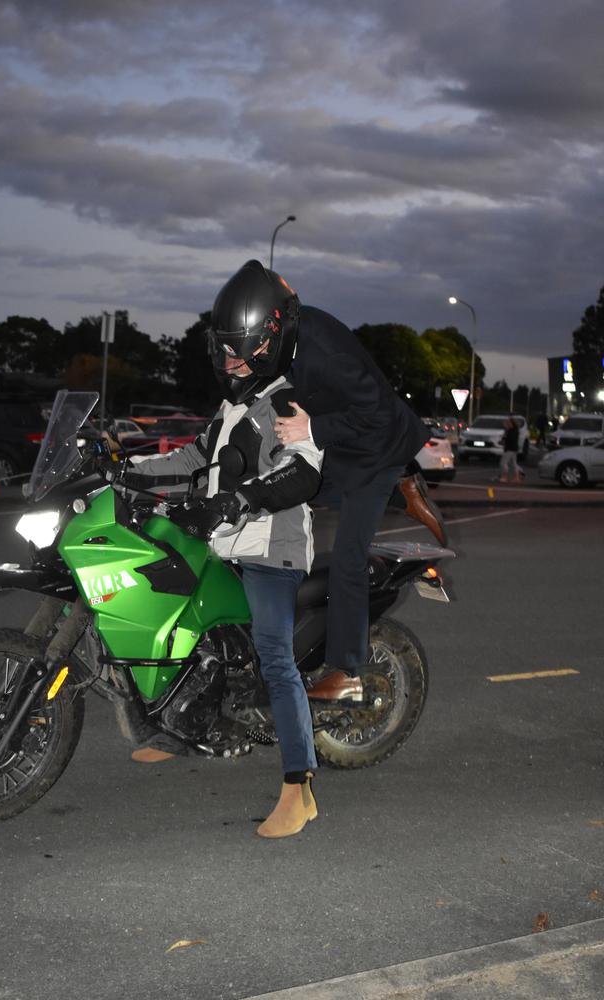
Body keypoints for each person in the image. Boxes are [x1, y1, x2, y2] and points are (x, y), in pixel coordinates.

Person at [126, 273, 323, 839]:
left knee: (273, 654)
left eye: (245, 349)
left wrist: (244, 498)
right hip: (222, 543)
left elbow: (304, 470)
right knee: (171, 613)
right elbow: (193, 457)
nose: (232, 360)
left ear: (272, 341)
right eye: (226, 349)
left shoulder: (285, 401)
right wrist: (124, 469)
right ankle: (180, 727)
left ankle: (298, 788)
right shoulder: (234, 403)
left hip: (270, 552)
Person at [211, 260, 446, 706]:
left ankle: (347, 671)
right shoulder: (279, 342)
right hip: (341, 436)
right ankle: (404, 488)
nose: (238, 361)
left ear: (275, 327)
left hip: (376, 448)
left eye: (247, 351)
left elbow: (375, 417)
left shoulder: (326, 351)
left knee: (349, 560)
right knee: (289, 487)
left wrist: (313, 430)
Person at [499, 415, 520, 483]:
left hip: (510, 448)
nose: (507, 424)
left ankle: (504, 476)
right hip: (513, 448)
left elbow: (510, 439)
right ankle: (516, 477)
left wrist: (504, 439)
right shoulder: (513, 430)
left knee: (503, 463)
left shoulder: (512, 430)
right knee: (513, 463)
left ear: (512, 423)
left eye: (508, 423)